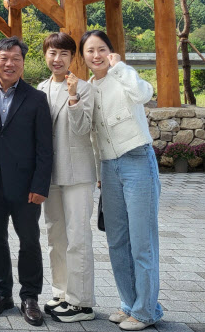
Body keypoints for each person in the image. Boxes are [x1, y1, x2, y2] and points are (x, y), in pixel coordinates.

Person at [80, 30, 162, 331]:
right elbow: (93, 136)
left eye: (102, 49)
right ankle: (130, 304)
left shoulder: (122, 76)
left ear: (111, 52)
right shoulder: (88, 87)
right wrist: (101, 176)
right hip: (109, 168)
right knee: (117, 241)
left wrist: (121, 68)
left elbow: (144, 94)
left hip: (137, 159)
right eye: (90, 51)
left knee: (142, 241)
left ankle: (146, 311)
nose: (96, 56)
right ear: (84, 56)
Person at [0, 37, 53, 327]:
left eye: (15, 58)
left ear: (23, 63)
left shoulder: (37, 98)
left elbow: (45, 147)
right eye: (3, 58)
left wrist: (41, 185)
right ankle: (1, 292)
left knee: (29, 241)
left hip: (26, 183)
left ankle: (29, 297)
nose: (9, 63)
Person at [37, 33, 96, 322]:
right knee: (55, 236)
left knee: (78, 237)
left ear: (73, 58)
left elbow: (84, 128)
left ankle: (82, 303)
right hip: (50, 174)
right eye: (52, 53)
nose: (57, 59)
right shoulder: (41, 88)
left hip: (77, 173)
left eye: (63, 54)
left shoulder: (85, 88)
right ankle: (61, 292)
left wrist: (73, 96)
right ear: (45, 56)